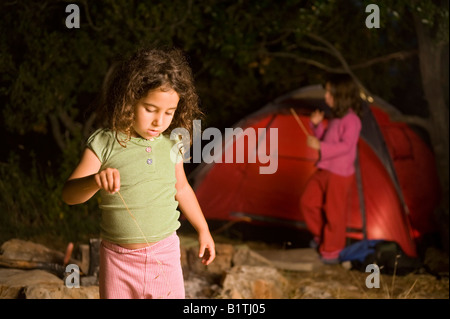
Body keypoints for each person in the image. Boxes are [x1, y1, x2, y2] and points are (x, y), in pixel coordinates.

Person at [62, 47, 215, 298]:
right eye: (150, 109)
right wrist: (94, 181)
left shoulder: (171, 144)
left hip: (164, 256)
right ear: (130, 99)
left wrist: (203, 228)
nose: (159, 121)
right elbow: (69, 194)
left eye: (169, 112)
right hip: (117, 261)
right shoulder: (105, 143)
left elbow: (182, 188)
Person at [300, 74, 362, 264]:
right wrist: (317, 127)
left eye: (329, 92)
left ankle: (332, 252)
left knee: (335, 213)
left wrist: (320, 147)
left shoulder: (352, 120)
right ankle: (322, 238)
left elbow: (346, 146)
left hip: (340, 173)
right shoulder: (336, 118)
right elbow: (328, 139)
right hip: (325, 169)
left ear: (341, 95)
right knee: (307, 202)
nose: (326, 96)